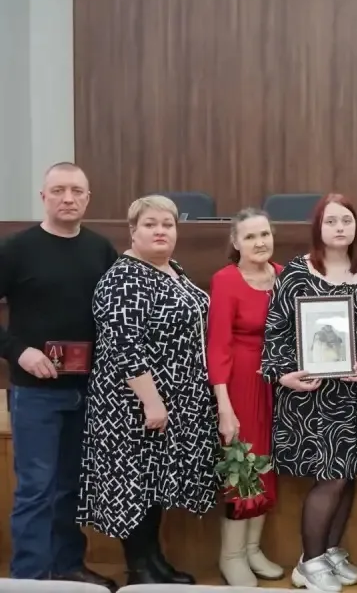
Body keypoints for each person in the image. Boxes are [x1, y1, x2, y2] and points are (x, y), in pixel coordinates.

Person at [78, 195, 220, 585]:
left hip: (171, 400)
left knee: (153, 485)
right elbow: (124, 346)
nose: (160, 231)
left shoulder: (171, 269)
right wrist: (152, 401)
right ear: (133, 231)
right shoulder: (124, 278)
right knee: (135, 487)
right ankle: (140, 571)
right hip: (134, 404)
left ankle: (154, 562)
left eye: (167, 225)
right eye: (150, 224)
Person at [0, 162, 118, 590]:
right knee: (36, 488)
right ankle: (30, 579)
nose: (68, 198)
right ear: (43, 197)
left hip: (88, 391)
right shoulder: (16, 249)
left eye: (76, 191)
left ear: (88, 198)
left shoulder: (101, 250)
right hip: (35, 392)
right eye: (59, 190)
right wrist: (19, 351)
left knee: (71, 485)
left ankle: (68, 566)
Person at [261, 194, 357, 593]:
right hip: (311, 395)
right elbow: (273, 333)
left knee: (348, 475)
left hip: (355, 393)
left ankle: (328, 552)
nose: (340, 228)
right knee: (331, 477)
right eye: (331, 221)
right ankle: (309, 563)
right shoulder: (295, 273)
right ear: (318, 228)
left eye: (346, 220)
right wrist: (283, 375)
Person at [207, 208, 286, 586]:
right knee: (243, 466)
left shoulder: (284, 275)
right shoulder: (226, 280)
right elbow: (218, 346)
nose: (259, 242)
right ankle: (232, 555)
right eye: (250, 236)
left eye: (265, 234)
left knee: (267, 466)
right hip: (240, 382)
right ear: (236, 243)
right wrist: (224, 406)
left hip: (278, 383)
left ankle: (253, 549)